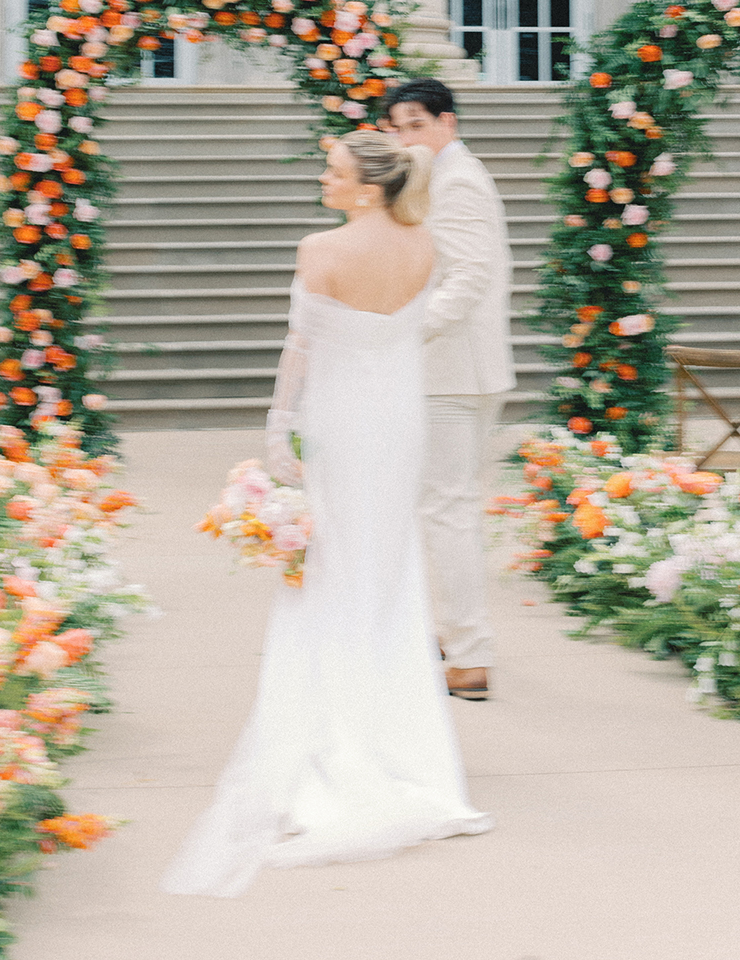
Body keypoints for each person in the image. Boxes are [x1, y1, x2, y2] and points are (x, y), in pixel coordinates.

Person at [162, 130, 494, 898]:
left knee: (329, 568)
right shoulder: (421, 248)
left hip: (344, 419)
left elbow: (301, 347)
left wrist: (280, 422)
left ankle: (334, 740)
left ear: (366, 187)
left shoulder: (322, 248)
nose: (324, 177)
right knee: (385, 566)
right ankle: (400, 739)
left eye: (334, 170)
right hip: (397, 420)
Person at [384, 79, 515, 703]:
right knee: (441, 508)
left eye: (416, 125)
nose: (405, 138)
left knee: (447, 511)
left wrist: (404, 335)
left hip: (453, 373)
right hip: (451, 371)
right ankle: (455, 634)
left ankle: (468, 654)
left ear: (448, 124)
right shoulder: (442, 175)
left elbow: (468, 277)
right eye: (396, 127)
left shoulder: (459, 179)